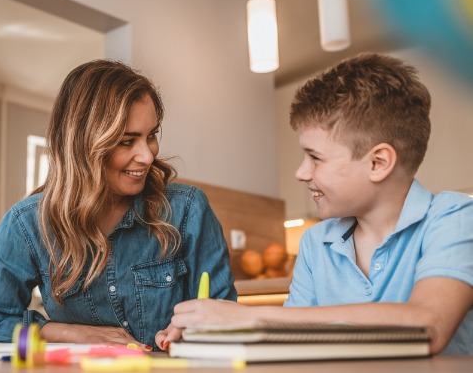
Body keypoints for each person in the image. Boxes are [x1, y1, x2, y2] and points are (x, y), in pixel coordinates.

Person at [157, 53, 473, 355]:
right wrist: (211, 331)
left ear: (378, 162)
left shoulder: (454, 218)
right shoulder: (316, 242)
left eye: (315, 158)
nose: (301, 172)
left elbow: (430, 325)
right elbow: (291, 339)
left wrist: (253, 316)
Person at [0, 60, 237, 349]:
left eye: (151, 136)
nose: (147, 156)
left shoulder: (188, 210)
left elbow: (226, 321)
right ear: (83, 145)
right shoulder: (26, 225)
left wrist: (193, 333)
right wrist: (70, 333)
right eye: (127, 141)